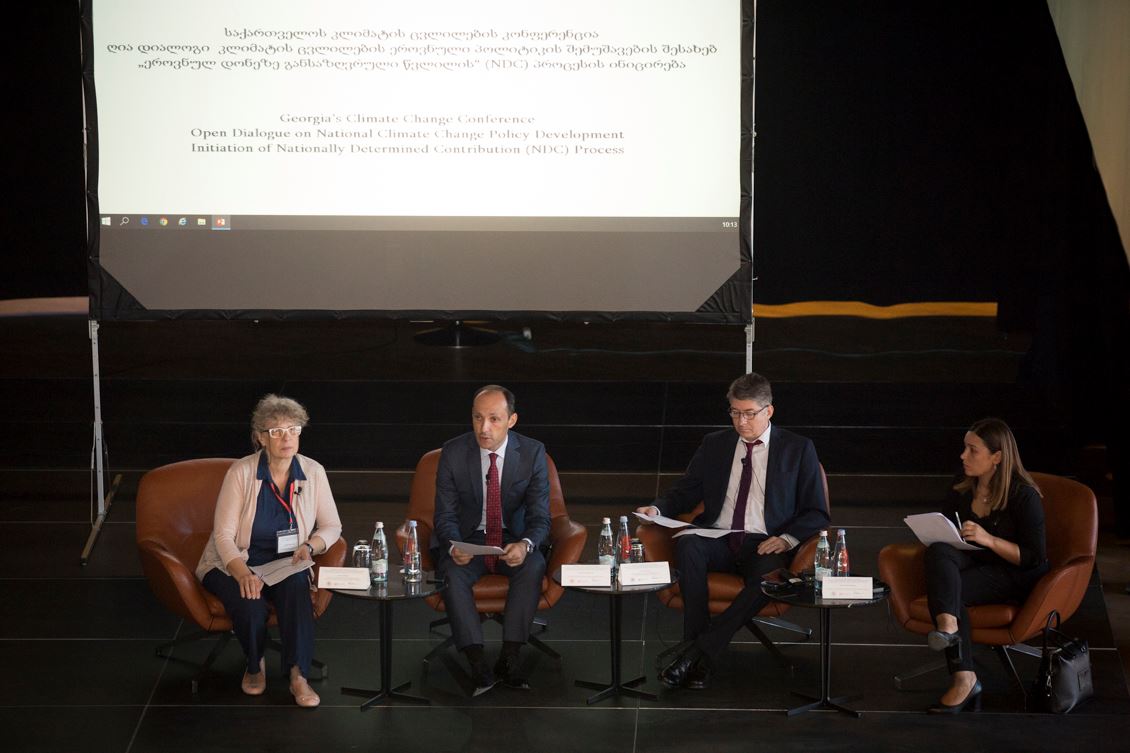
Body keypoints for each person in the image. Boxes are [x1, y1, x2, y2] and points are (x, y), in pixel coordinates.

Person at [637, 373, 829, 689]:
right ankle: (697, 652)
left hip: (765, 542)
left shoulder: (797, 449)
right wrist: (657, 510)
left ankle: (693, 655)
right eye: (735, 412)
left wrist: (786, 539)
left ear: (769, 410)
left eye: (749, 413)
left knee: (770, 579)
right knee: (689, 545)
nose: (741, 422)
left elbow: (817, 511)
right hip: (719, 537)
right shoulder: (716, 444)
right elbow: (686, 490)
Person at [196, 394, 342, 708]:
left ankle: (298, 674)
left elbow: (332, 526)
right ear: (261, 438)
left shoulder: (313, 472)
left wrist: (310, 545)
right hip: (233, 561)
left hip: (285, 562)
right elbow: (223, 536)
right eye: (277, 431)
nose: (287, 438)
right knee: (250, 604)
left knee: (298, 591)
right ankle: (254, 664)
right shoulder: (241, 472)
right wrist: (242, 574)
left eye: (293, 429)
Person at [432, 384, 551, 695]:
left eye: (494, 419)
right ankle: (475, 661)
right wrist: (454, 544)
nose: (484, 428)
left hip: (513, 537)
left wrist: (525, 544)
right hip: (468, 538)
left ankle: (510, 657)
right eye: (477, 418)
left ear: (512, 420)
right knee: (452, 572)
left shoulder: (532, 453)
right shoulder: (453, 452)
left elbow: (541, 517)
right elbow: (444, 515)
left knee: (533, 566)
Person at [923, 417, 1047, 713]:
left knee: (950, 594)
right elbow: (946, 526)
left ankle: (964, 678)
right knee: (938, 550)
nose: (963, 456)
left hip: (1015, 572)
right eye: (964, 448)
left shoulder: (1024, 496)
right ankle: (948, 626)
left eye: (972, 450)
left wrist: (988, 539)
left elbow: (1034, 557)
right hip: (975, 561)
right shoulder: (962, 487)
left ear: (997, 457)